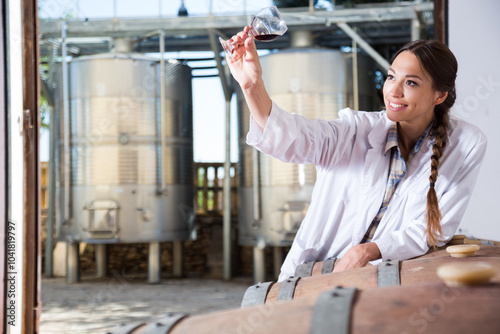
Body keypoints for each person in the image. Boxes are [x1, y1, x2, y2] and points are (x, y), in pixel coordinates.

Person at [226, 26, 487, 282]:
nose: (394, 91)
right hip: (311, 276)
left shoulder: (466, 144)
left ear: (439, 95)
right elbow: (293, 137)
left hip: (380, 281)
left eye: (411, 82)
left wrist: (371, 250)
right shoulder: (355, 130)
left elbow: (433, 231)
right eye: (391, 77)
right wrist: (251, 85)